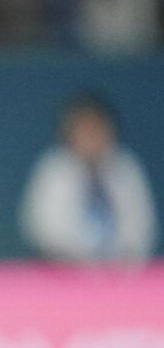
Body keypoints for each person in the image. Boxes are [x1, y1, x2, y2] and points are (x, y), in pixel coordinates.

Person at [20, 94, 158, 262]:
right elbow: (41, 227)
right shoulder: (54, 168)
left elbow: (142, 226)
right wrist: (81, 257)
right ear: (69, 134)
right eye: (84, 130)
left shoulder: (126, 167)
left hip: (121, 269)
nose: (91, 137)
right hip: (62, 268)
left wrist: (117, 257)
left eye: (97, 129)